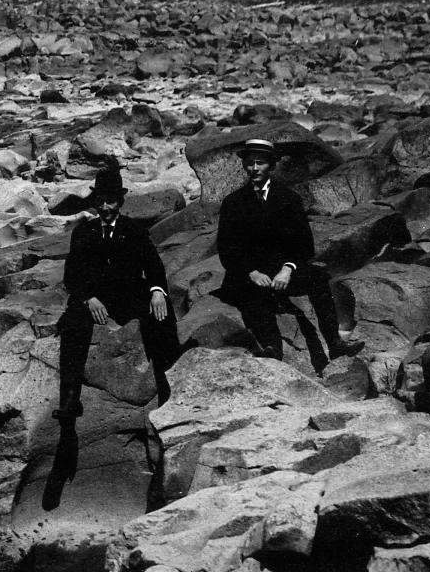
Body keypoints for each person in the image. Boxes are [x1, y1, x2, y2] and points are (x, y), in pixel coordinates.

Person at [215, 136, 361, 364]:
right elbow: (227, 248)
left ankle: (334, 343)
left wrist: (287, 269)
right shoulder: (233, 202)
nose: (254, 168)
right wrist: (251, 272)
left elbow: (304, 244)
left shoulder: (289, 198)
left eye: (260, 163)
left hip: (279, 271)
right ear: (244, 165)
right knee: (254, 292)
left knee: (319, 279)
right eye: (250, 163)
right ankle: (272, 347)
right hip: (247, 273)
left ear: (271, 166)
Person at [57, 159, 180, 418]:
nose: (105, 207)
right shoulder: (83, 232)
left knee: (161, 313)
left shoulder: (134, 230)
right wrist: (88, 298)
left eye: (110, 201)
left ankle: (169, 388)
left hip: (129, 296)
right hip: (95, 299)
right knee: (72, 323)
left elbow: (154, 266)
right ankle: (70, 398)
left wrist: (158, 290)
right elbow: (72, 276)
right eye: (100, 201)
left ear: (119, 202)